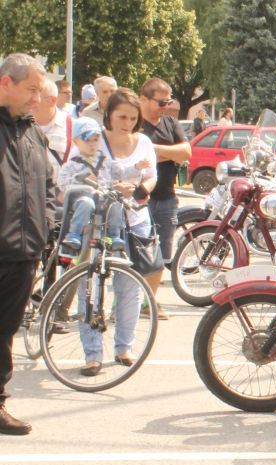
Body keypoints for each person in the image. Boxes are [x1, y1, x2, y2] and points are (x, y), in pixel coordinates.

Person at [85, 88, 157, 376]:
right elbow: (86, 173)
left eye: (132, 118)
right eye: (121, 117)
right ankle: (92, 354)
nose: (127, 123)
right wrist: (111, 187)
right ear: (109, 115)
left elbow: (151, 176)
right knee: (92, 284)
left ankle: (124, 347)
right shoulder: (96, 139)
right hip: (101, 219)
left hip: (135, 219)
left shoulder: (144, 142)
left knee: (129, 287)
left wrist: (140, 189)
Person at [0, 53, 53, 435]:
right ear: (6, 83)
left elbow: (48, 184)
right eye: (32, 89)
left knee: (5, 331)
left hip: (23, 252)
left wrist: (45, 223)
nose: (38, 98)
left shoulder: (33, 132)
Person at [138, 78, 191, 321]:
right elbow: (134, 156)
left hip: (167, 197)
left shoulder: (170, 123)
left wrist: (152, 150)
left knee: (161, 256)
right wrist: (170, 153)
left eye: (168, 102)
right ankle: (125, 303)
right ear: (144, 99)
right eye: (161, 102)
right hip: (141, 199)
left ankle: (148, 301)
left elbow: (186, 152)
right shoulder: (135, 123)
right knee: (138, 253)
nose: (165, 107)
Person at [58, 118, 123, 256]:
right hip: (82, 199)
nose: (92, 144)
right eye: (87, 140)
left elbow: (122, 172)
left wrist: (137, 168)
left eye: (95, 139)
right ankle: (74, 234)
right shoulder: (72, 164)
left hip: (103, 200)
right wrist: (81, 179)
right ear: (76, 141)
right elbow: (62, 182)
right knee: (86, 203)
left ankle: (114, 236)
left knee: (116, 204)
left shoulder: (106, 161)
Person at [33, 74, 70, 164]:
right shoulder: (21, 126)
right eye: (32, 93)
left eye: (38, 95)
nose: (33, 99)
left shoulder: (71, 126)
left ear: (53, 100)